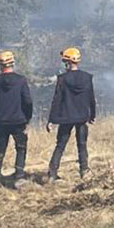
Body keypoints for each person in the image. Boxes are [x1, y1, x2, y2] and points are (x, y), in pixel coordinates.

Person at [0, 51, 33, 180]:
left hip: (0, 123)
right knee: (21, 148)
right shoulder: (21, 80)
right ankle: (19, 175)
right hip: (18, 121)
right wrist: (27, 118)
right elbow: (28, 101)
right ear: (13, 63)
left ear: (0, 65)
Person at [46, 47, 95, 181]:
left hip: (66, 118)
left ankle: (52, 172)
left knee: (60, 145)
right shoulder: (87, 77)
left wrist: (51, 119)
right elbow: (91, 97)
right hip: (82, 117)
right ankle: (84, 171)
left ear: (67, 62)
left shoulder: (62, 79)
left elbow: (57, 100)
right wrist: (92, 115)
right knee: (82, 145)